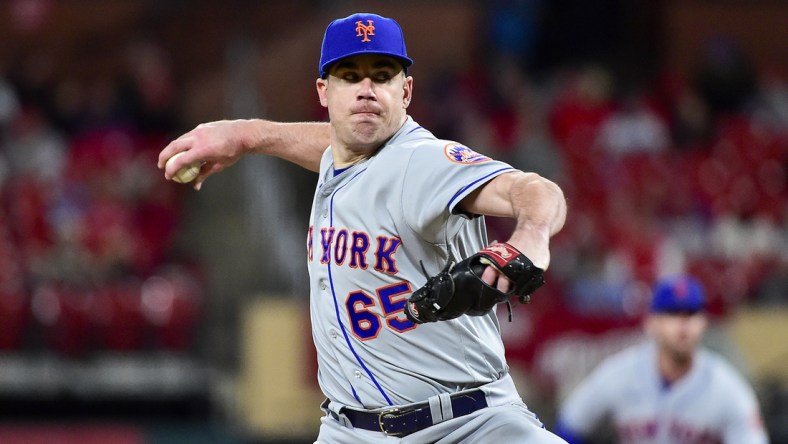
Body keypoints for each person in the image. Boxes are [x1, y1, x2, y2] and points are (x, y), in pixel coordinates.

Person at [159, 12, 567, 443]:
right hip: (349, 431)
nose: (366, 90)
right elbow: (333, 145)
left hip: (467, 425)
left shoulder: (422, 163)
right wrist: (245, 134)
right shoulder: (342, 155)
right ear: (324, 91)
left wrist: (530, 238)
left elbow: (533, 189)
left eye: (382, 75)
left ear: (405, 90)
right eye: (350, 76)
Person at [555, 275, 769, 444]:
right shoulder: (620, 372)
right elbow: (570, 426)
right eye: (673, 313)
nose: (683, 324)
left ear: (704, 322)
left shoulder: (729, 388)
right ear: (651, 322)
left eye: (691, 313)